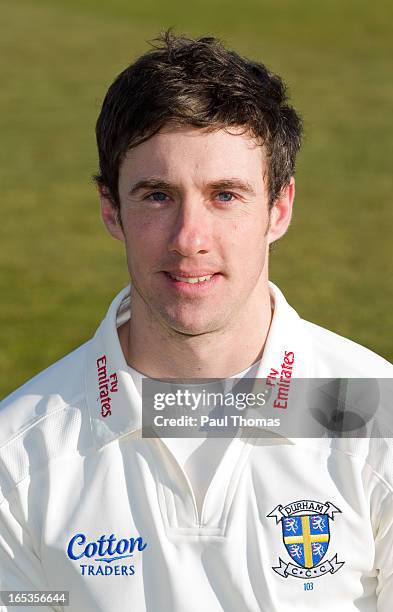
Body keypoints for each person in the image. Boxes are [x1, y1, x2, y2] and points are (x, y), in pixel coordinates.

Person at [0, 30, 392, 612]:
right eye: (157, 195)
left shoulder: (377, 414)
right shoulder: (18, 455)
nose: (189, 240)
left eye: (225, 195)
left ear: (279, 208)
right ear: (112, 210)